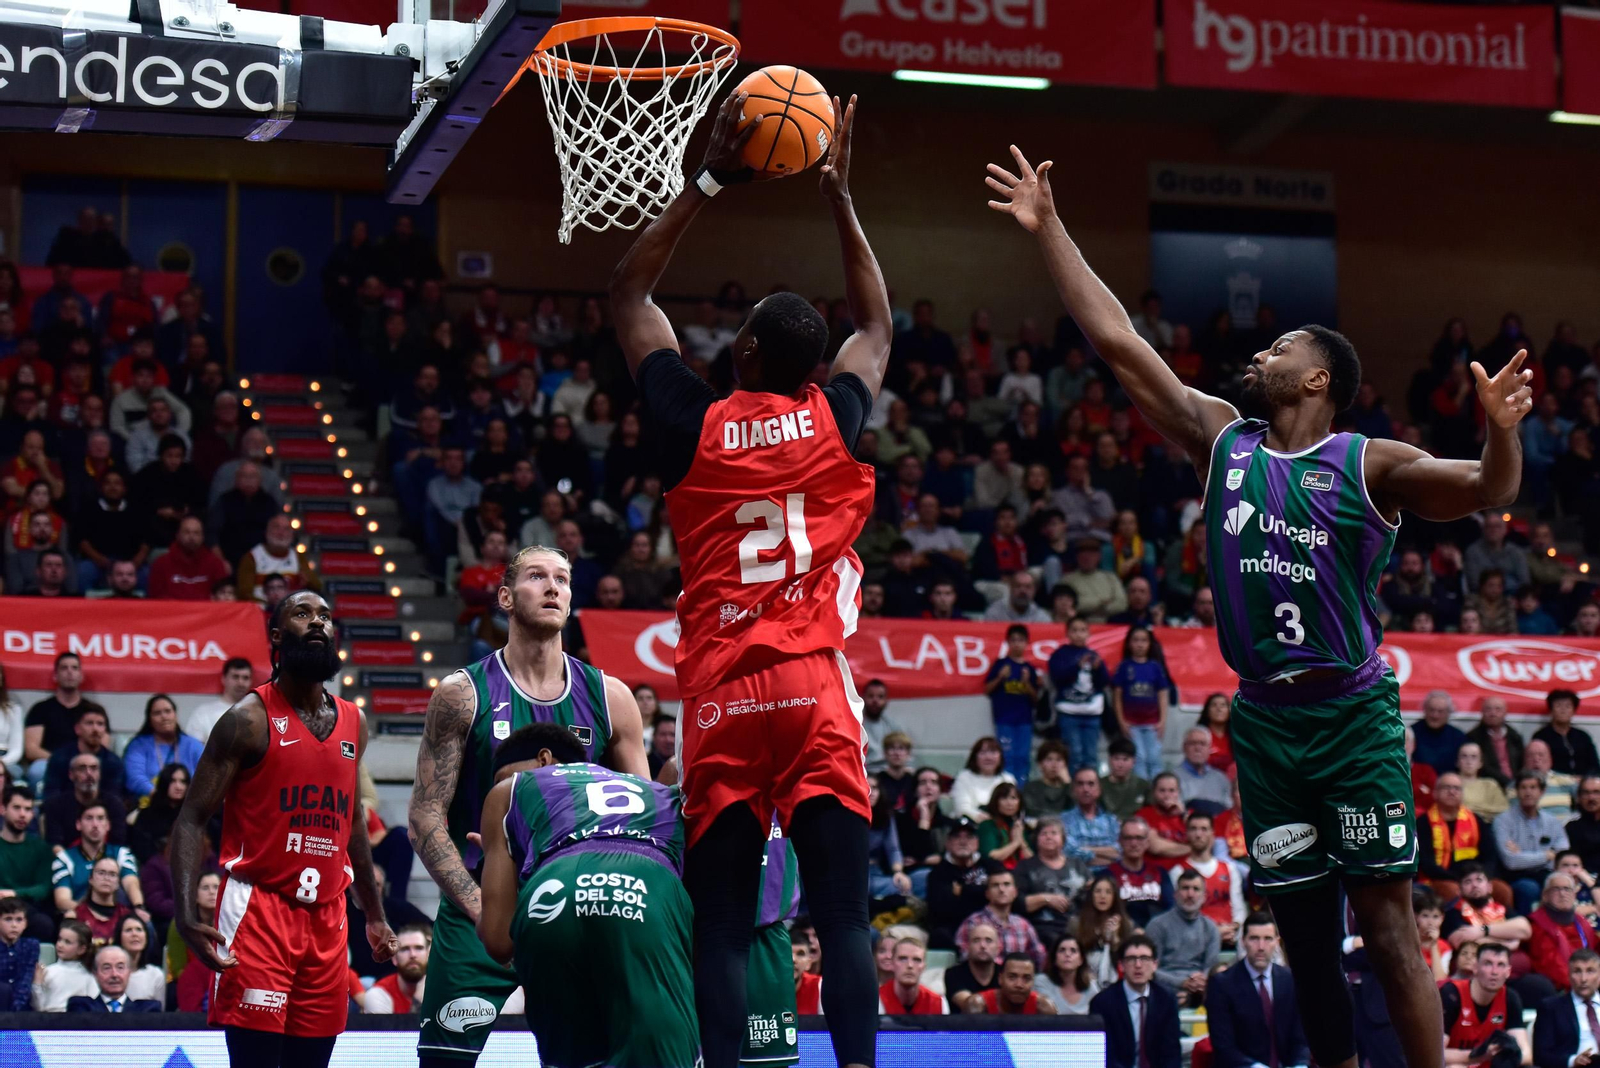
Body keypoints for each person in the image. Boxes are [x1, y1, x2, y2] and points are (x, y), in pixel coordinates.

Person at [992, 141, 1535, 1068]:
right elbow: (1119, 342)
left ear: (1320, 379)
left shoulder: (1369, 462)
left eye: (1282, 349)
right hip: (1265, 723)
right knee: (1306, 936)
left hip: (1352, 718)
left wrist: (1501, 431)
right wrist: (1049, 230)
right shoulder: (1222, 439)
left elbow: (1490, 489)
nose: (1261, 352)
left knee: (1387, 925)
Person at [612, 90, 888, 1068]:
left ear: (741, 352)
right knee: (843, 917)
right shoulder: (835, 417)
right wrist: (840, 201)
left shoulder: (693, 421)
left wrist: (711, 178)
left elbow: (629, 298)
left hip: (724, 692)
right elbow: (877, 324)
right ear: (813, 369)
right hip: (814, 686)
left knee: (724, 926)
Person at [407, 546, 648, 1066]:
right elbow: (425, 816)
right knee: (444, 1060)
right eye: (537, 577)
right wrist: (481, 907)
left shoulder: (611, 698)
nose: (553, 587)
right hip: (479, 900)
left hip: (577, 907)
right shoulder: (462, 694)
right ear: (505, 598)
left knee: (577, 1060)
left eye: (563, 578)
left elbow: (644, 823)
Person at [170, 591, 397, 1068]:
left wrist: (374, 914)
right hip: (259, 911)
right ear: (276, 636)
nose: (317, 623)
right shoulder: (246, 720)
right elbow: (191, 818)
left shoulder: (354, 721)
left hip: (329, 916)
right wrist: (186, 914)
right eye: (302, 613)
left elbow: (352, 821)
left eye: (325, 616)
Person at [473, 724, 700, 1067]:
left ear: (544, 759)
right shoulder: (660, 792)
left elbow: (498, 940)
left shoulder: (510, 789)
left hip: (553, 888)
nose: (499, 783)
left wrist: (508, 877)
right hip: (645, 888)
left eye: (500, 776)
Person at [1206, 913, 1313, 1068]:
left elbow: (1301, 1038)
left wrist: (1299, 1065)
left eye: (1267, 939)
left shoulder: (1290, 980)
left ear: (1277, 942)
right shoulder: (1222, 984)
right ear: (1243, 941)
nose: (1261, 947)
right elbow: (1223, 1046)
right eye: (1254, 938)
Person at [1089, 936, 1182, 1068]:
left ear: (1154, 965)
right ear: (1121, 965)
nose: (1138, 965)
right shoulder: (1103, 1002)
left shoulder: (1166, 999)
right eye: (1131, 959)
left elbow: (1171, 1052)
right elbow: (1105, 1054)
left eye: (1144, 958)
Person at [1440, 941, 1530, 1067]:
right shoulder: (1451, 994)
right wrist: (1478, 1054)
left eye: (1501, 965)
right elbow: (1436, 1053)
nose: (1494, 971)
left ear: (1508, 971)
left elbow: (1526, 1054)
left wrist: (1507, 1053)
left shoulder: (1510, 998)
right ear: (1475, 968)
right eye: (1488, 963)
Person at [50, 803, 144, 920]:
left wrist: (138, 906)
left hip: (118, 916)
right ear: (78, 824)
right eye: (89, 818)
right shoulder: (64, 858)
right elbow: (62, 900)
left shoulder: (121, 854)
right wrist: (93, 914)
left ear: (108, 825)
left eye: (100, 818)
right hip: (80, 917)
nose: (95, 825)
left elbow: (131, 883)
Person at [1147, 868, 1222, 1008]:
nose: (1190, 894)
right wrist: (1182, 983)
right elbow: (1150, 968)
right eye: (1185, 888)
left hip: (1200, 990)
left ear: (1204, 896)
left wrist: (1199, 982)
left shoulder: (1211, 928)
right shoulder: (1157, 925)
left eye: (1196, 889)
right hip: (1164, 987)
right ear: (1175, 894)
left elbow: (1211, 967)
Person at [1498, 773, 1571, 915]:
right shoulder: (1503, 821)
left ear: (1542, 791)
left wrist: (1522, 855)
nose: (1528, 792)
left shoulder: (1552, 821)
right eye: (1523, 788)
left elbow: (1562, 854)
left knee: (1561, 883)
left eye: (1533, 787)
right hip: (1516, 876)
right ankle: (1528, 926)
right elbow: (1511, 862)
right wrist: (1547, 855)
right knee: (1529, 888)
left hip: (1546, 873)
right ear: (1516, 791)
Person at [926, 818, 1004, 949]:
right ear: (948, 843)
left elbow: (1003, 896)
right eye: (957, 837)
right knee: (939, 935)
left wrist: (964, 890)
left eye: (969, 837)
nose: (963, 842)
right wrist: (984, 892)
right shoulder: (938, 873)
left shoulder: (991, 866)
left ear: (977, 843)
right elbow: (942, 911)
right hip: (955, 927)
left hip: (992, 923)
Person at [1048, 616, 1109, 773]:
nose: (1079, 634)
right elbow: (1057, 678)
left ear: (1088, 633)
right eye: (1074, 630)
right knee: (1073, 755)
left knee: (1091, 756)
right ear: (1067, 633)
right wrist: (1077, 666)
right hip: (1069, 713)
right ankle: (1073, 786)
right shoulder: (1060, 655)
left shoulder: (1094, 655)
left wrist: (1099, 669)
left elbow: (1103, 683)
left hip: (1092, 713)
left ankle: (1090, 786)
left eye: (1082, 630)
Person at [954, 869, 1045, 969]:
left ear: (1015, 892)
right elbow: (965, 956)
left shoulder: (1023, 925)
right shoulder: (973, 923)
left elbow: (1039, 957)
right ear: (987, 893)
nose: (1001, 889)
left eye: (1006, 884)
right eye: (995, 885)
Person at [1179, 811, 1246, 947]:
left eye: (1204, 829)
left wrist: (1234, 927)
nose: (1198, 834)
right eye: (1193, 829)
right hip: (1195, 943)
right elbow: (1179, 915)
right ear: (1187, 833)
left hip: (1230, 939)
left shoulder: (1229, 869)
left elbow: (1239, 908)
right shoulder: (1178, 871)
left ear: (1212, 834)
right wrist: (1213, 933)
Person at [983, 626, 1041, 783]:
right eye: (1013, 640)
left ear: (1027, 643)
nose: (1017, 644)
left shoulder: (1029, 668)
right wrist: (1000, 677)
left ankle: (1021, 790)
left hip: (1024, 721)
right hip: (1004, 720)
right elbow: (987, 690)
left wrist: (1027, 683)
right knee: (1006, 756)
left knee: (1022, 757)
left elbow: (1036, 699)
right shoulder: (1000, 664)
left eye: (1020, 640)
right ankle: (1006, 788)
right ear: (1008, 642)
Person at [1112, 626, 1170, 782]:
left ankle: (1157, 790)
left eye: (1144, 640)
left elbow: (1162, 694)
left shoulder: (1155, 667)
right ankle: (1142, 791)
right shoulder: (1124, 667)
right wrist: (1121, 721)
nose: (1140, 644)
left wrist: (1162, 721)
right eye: (1136, 640)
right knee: (1139, 758)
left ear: (1150, 644)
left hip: (1152, 724)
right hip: (1131, 724)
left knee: (1154, 758)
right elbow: (1117, 696)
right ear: (1129, 643)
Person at [1014, 816, 1084, 945]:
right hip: (1040, 929)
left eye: (1054, 833)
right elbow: (1019, 903)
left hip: (1077, 927)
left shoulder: (1077, 864)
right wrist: (1045, 899)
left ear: (1063, 839)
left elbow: (1091, 893)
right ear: (1036, 839)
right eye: (1044, 833)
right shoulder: (1025, 867)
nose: (1049, 837)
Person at [23, 652, 87, 788]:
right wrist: (60, 761)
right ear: (55, 676)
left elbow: (103, 745)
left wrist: (79, 762)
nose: (69, 672)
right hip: (49, 761)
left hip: (84, 763)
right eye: (64, 668)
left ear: (81, 676)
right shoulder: (40, 709)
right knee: (36, 771)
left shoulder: (93, 711)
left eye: (74, 668)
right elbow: (31, 749)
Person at [122, 694, 205, 798]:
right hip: (150, 803)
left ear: (175, 715)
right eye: (157, 713)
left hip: (189, 804)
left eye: (168, 711)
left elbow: (206, 778)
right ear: (149, 719)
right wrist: (161, 798)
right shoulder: (138, 745)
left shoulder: (194, 745)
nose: (164, 717)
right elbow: (134, 778)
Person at [1530, 872, 1600, 994]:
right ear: (1545, 895)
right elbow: (1551, 965)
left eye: (1567, 889)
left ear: (1574, 895)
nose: (1562, 894)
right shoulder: (1538, 924)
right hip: (1566, 988)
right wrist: (1583, 984)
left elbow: (1596, 949)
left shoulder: (1581, 921)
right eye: (1556, 889)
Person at [0, 786, 55, 939]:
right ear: (3, 809)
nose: (22, 814)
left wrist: (14, 893)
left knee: (43, 924)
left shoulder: (41, 849)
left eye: (28, 809)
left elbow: (43, 888)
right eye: (16, 808)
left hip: (27, 909)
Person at [1420, 773, 1488, 897]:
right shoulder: (1423, 822)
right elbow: (1426, 863)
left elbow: (1490, 856)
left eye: (1456, 788)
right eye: (1446, 787)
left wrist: (1479, 878)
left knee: (1502, 890)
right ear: (1435, 793)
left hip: (1475, 877)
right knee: (1452, 890)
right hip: (1439, 878)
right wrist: (1460, 880)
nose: (1452, 792)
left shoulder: (1476, 820)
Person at [42, 751, 128, 849]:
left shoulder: (115, 805)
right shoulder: (56, 805)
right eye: (82, 769)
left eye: (94, 768)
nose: (89, 774)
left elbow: (118, 843)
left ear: (99, 774)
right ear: (71, 775)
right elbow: (55, 844)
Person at [1532, 948, 1600, 1068]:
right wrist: (1573, 1061)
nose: (1583, 979)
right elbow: (1541, 1056)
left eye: (1590, 971)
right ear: (1568, 975)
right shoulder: (1551, 1007)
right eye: (1577, 971)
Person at [1102, 816, 1175, 928]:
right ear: (1120, 841)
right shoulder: (1107, 875)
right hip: (1123, 932)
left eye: (1139, 838)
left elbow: (1171, 909)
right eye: (1128, 838)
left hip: (1157, 932)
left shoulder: (1160, 873)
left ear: (1147, 842)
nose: (1134, 843)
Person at [42, 703, 123, 801]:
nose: (95, 729)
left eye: (100, 724)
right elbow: (51, 797)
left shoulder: (113, 762)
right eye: (89, 723)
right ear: (77, 729)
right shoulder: (60, 758)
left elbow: (114, 799)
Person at [65, 943, 162, 1013]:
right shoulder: (82, 1007)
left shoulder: (147, 1010)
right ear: (95, 973)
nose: (114, 974)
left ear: (129, 972)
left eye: (120, 967)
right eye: (106, 968)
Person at [185, 658, 256, 742]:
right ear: (224, 679)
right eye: (235, 677)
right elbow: (192, 746)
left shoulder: (257, 713)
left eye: (245, 678)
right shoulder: (203, 713)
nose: (240, 683)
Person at [32, 920, 97, 1010]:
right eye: (59, 939)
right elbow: (38, 1006)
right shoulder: (47, 971)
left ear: (81, 949)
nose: (60, 945)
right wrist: (37, 984)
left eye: (67, 942)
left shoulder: (89, 976)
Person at [365, 925, 431, 1014]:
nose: (412, 955)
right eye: (405, 949)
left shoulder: (443, 988)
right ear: (394, 959)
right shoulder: (378, 994)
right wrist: (418, 1003)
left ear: (428, 955)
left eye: (419, 948)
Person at [1535, 690, 1600, 779]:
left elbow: (1594, 765)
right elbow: (1538, 768)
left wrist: (1586, 779)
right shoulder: (1541, 736)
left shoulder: (1582, 736)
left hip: (1583, 782)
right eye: (1558, 706)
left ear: (1574, 711)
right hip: (1554, 782)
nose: (1563, 710)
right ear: (1551, 710)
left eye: (1568, 706)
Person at [950, 736, 1016, 823]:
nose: (988, 757)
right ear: (975, 757)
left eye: (993, 752)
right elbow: (962, 808)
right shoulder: (964, 777)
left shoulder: (1007, 779)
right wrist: (987, 820)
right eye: (983, 752)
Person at [1064, 768, 1121, 867]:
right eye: (1080, 784)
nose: (1085, 789)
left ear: (1099, 789)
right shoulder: (1064, 820)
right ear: (1074, 789)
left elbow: (1119, 852)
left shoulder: (1111, 821)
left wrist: (1084, 849)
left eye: (1091, 784)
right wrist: (1108, 853)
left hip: (1110, 873)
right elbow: (1070, 854)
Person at [965, 952, 1053, 1015]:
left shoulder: (1044, 1007)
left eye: (1026, 978)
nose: (1019, 984)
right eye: (1012, 977)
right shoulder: (979, 1005)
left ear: (1033, 981)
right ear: (1000, 979)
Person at [877, 935, 947, 1014]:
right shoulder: (877, 999)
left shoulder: (939, 1003)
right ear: (892, 963)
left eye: (917, 960)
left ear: (924, 967)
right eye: (903, 959)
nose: (910, 965)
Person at [1034, 934, 1100, 1015]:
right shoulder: (1041, 982)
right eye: (1062, 950)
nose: (1067, 954)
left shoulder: (1091, 988)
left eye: (1073, 951)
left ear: (1081, 960)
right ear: (1054, 958)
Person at [944, 921, 1002, 1013]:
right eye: (976, 940)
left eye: (988, 940)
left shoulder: (1004, 973)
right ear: (967, 947)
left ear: (998, 948)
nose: (983, 946)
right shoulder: (954, 973)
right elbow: (971, 1006)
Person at [1469, 697, 1525, 788]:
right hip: (1488, 786)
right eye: (1488, 709)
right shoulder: (1473, 738)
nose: (1493, 713)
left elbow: (1522, 764)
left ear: (1505, 713)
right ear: (1482, 713)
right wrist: (1508, 783)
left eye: (1498, 709)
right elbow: (1484, 769)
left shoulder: (1515, 737)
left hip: (1516, 786)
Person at [1175, 728, 1232, 812]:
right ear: (1184, 747)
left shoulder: (1221, 779)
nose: (1198, 748)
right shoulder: (1172, 778)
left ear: (1209, 748)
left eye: (1203, 744)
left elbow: (1229, 809)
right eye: (1193, 743)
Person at [1414, 691, 1470, 775]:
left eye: (1440, 711)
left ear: (1448, 713)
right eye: (1431, 710)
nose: (1435, 715)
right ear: (1424, 710)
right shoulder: (1411, 734)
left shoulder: (1459, 737)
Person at [860, 679, 907, 777]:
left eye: (880, 697)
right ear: (863, 698)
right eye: (871, 696)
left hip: (888, 775)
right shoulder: (856, 724)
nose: (875, 700)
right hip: (863, 773)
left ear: (886, 701)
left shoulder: (893, 727)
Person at [0, 895, 39, 1010]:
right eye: (8, 919)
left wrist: (16, 1010)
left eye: (19, 920)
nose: (14, 925)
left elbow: (25, 980)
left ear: (25, 923)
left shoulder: (31, 945)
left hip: (21, 1008)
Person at [116, 913, 164, 1003]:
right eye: (128, 930)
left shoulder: (156, 975)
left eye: (139, 929)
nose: (134, 934)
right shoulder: (110, 974)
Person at [1101, 737, 1152, 820]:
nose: (1120, 764)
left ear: (1134, 761)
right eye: (1116, 759)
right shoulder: (1099, 785)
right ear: (1109, 760)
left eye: (1125, 759)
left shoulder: (1143, 786)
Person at [1459, 744, 1511, 823]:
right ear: (1458, 762)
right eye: (1464, 756)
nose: (1469, 761)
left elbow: (1503, 810)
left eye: (1474, 757)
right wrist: (1485, 811)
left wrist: (1471, 810)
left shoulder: (1490, 785)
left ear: (1480, 763)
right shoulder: (1452, 784)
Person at [1022, 739, 1072, 819]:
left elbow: (1078, 811)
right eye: (1049, 759)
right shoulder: (1031, 788)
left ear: (1065, 764)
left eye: (1059, 760)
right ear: (1040, 764)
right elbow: (1032, 812)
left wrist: (1068, 783)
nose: (1054, 765)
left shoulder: (1069, 788)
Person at [1569, 777, 1600, 873]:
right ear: (1579, 797)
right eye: (1586, 793)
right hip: (1582, 877)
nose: (1591, 798)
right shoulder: (1571, 827)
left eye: (1596, 792)